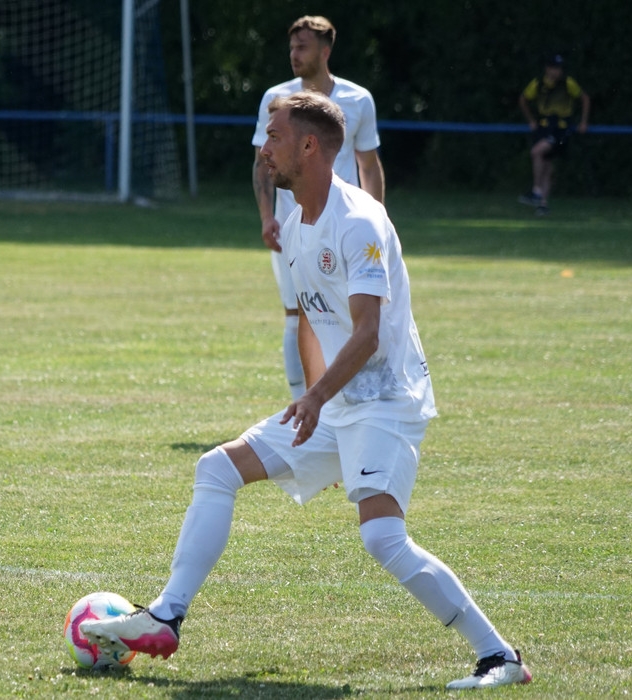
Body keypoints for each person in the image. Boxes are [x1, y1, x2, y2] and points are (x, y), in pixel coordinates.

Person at [80, 91, 532, 691]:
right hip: (335, 405)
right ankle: (166, 616)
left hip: (386, 402)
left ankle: (500, 657)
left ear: (310, 146)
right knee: (217, 468)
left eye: (274, 137)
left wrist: (320, 400)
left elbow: (368, 333)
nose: (264, 149)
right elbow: (313, 324)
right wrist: (315, 406)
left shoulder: (359, 221)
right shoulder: (294, 226)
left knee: (382, 537)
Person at [252, 15, 385, 402]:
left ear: (325, 51)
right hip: (293, 228)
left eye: (303, 47)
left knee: (351, 315)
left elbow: (369, 165)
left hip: (345, 228)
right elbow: (262, 163)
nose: (294, 54)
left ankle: (353, 400)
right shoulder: (277, 99)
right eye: (292, 47)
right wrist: (267, 217)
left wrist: (377, 218)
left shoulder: (358, 99)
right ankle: (302, 403)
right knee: (299, 314)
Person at [518, 53, 590, 216]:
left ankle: (536, 191)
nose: (557, 71)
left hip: (561, 128)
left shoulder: (567, 83)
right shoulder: (538, 84)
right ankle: (543, 204)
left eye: (559, 68)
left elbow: (584, 98)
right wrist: (531, 120)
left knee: (537, 152)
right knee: (547, 165)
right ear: (547, 68)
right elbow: (523, 99)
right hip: (544, 126)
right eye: (554, 68)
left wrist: (583, 122)